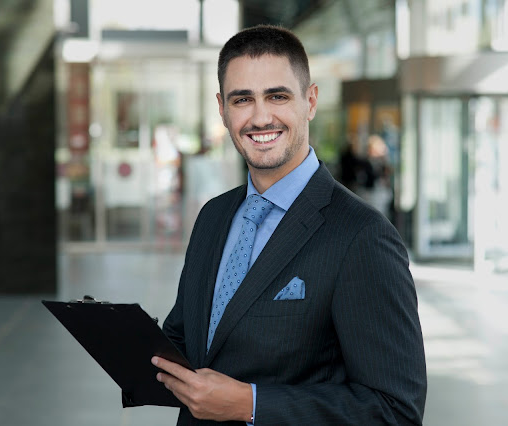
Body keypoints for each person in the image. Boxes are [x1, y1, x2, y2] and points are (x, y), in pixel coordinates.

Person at [150, 25, 427, 425]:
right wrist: (123, 340)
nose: (260, 117)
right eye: (242, 99)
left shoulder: (362, 236)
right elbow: (190, 339)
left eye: (277, 96)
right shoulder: (213, 216)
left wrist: (251, 404)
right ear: (223, 109)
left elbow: (394, 410)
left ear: (310, 101)